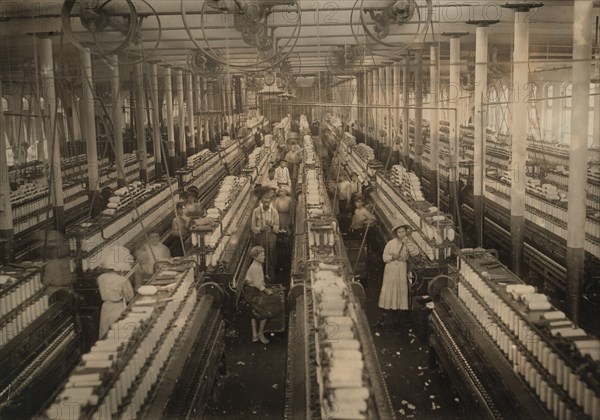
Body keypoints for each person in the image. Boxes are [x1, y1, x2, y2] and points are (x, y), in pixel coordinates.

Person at [373, 224, 420, 330]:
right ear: (396, 233)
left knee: (399, 292)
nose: (401, 234)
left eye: (403, 231)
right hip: (390, 270)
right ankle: (382, 318)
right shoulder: (391, 243)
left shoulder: (408, 243)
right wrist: (392, 256)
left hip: (401, 270)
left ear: (406, 232)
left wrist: (407, 243)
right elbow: (384, 258)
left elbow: (415, 253)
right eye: (399, 232)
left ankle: (396, 319)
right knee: (388, 292)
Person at [97, 245, 135, 338]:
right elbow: (130, 297)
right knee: (118, 335)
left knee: (106, 334)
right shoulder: (123, 280)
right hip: (118, 308)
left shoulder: (100, 278)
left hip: (105, 308)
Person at [244, 246, 278, 344]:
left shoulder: (258, 264)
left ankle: (254, 336)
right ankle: (260, 334)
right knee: (265, 312)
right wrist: (267, 291)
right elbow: (258, 284)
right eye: (262, 255)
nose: (264, 257)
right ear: (256, 257)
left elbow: (259, 282)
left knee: (254, 313)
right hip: (252, 293)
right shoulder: (255, 267)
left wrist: (263, 286)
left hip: (251, 291)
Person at [251, 191, 280, 282]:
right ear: (262, 201)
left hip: (271, 238)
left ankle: (271, 279)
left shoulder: (274, 212)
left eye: (268, 201)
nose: (266, 203)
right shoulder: (256, 211)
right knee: (260, 258)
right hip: (260, 238)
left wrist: (272, 226)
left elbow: (277, 228)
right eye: (265, 201)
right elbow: (253, 228)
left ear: (270, 202)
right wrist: (260, 229)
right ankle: (260, 279)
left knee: (271, 258)